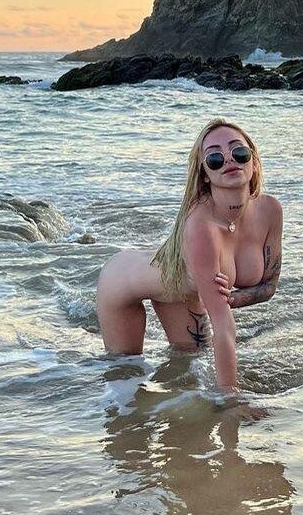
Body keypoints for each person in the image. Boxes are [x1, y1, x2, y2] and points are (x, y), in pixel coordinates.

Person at [95, 117, 283, 392]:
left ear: (254, 162)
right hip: (122, 284)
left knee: (187, 373)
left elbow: (269, 286)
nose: (229, 159)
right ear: (205, 173)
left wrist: (231, 298)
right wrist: (230, 401)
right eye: (214, 158)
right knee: (126, 379)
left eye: (239, 151)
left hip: (178, 291)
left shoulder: (270, 211)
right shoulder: (201, 225)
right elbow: (223, 325)